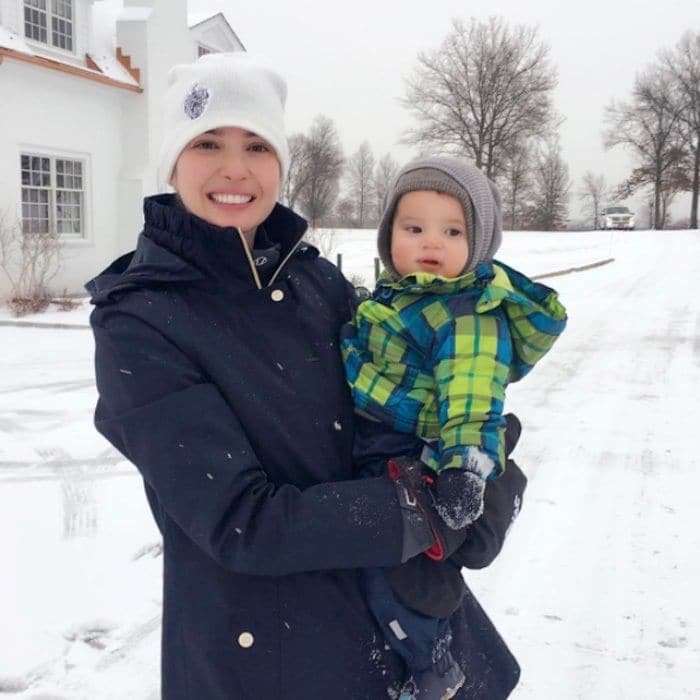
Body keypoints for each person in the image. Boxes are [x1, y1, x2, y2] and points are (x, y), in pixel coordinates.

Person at [86, 52, 525, 700]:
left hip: (397, 636)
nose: (235, 166)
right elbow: (243, 520)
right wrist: (423, 509)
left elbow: (404, 397)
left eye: (257, 145)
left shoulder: (314, 281)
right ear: (173, 160)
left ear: (279, 166)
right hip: (270, 661)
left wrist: (484, 460)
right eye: (208, 141)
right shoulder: (141, 322)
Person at [340, 156, 567, 699]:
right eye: (413, 228)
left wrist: (466, 467)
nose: (430, 244)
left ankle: (432, 664)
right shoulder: (399, 298)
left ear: (479, 244)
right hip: (379, 439)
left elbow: (473, 398)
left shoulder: (467, 313)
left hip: (418, 452)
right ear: (388, 235)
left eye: (451, 231)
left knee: (393, 574)